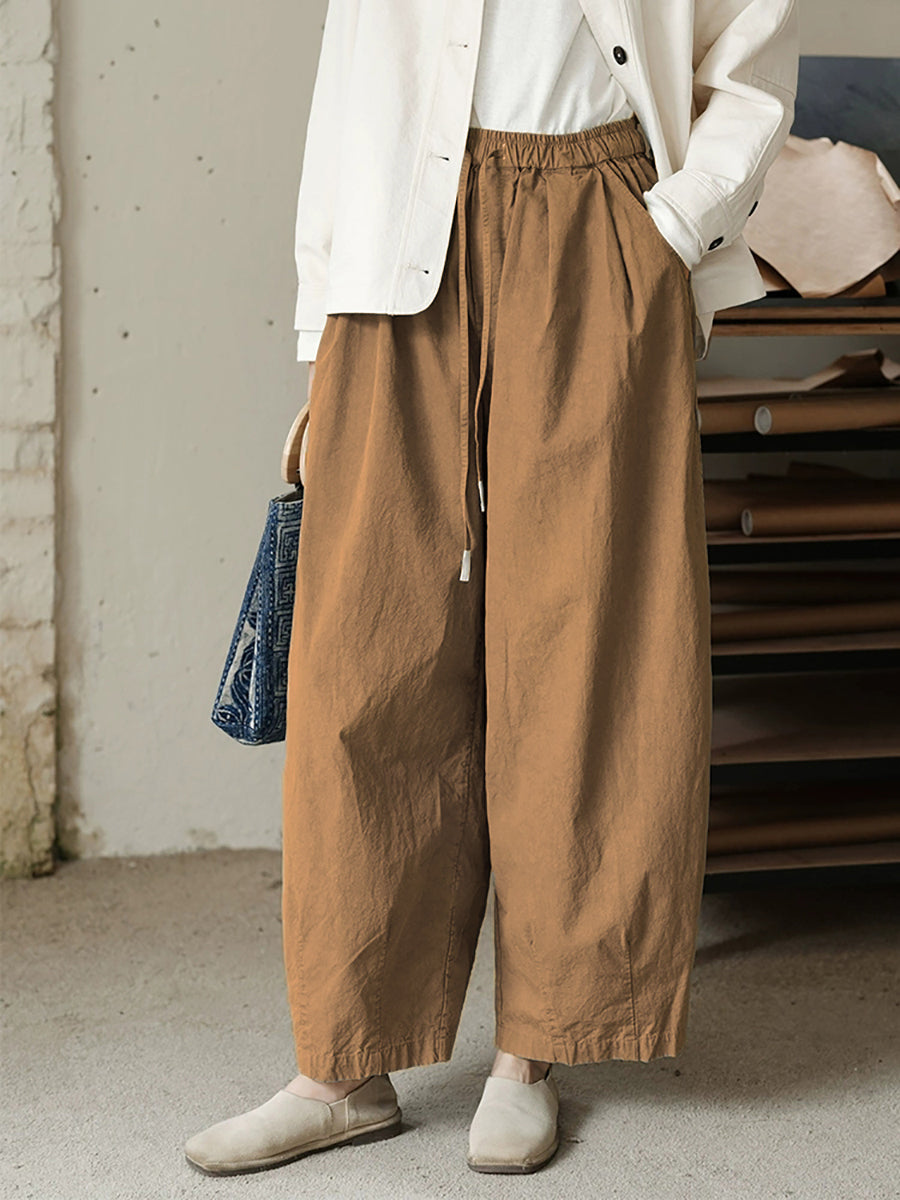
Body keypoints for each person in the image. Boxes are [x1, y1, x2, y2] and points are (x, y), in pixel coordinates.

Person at [185, 0, 798, 1178]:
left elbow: (752, 48)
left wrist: (673, 227)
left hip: (597, 215)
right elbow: (352, 73)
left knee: (585, 644)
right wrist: (322, 320)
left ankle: (534, 1051)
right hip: (396, 227)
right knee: (364, 653)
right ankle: (342, 1066)